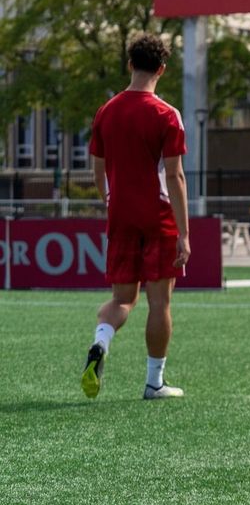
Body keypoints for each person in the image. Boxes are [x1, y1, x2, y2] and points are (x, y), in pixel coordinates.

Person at [83, 33, 191, 400]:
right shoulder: (166, 114)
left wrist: (109, 200)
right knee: (159, 302)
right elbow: (174, 175)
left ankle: (101, 342)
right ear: (161, 68)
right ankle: (153, 382)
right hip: (158, 217)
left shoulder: (106, 111)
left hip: (122, 216)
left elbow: (97, 168)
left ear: (130, 64)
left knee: (121, 300)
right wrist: (185, 233)